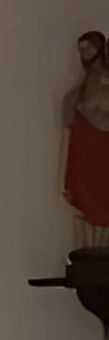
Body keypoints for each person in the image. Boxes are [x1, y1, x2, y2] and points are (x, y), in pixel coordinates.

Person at [66, 30, 109, 248]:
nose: (84, 52)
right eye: (81, 48)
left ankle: (101, 251)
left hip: (103, 146)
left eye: (88, 46)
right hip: (87, 144)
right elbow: (69, 114)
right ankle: (88, 251)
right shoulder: (87, 81)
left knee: (104, 199)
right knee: (87, 198)